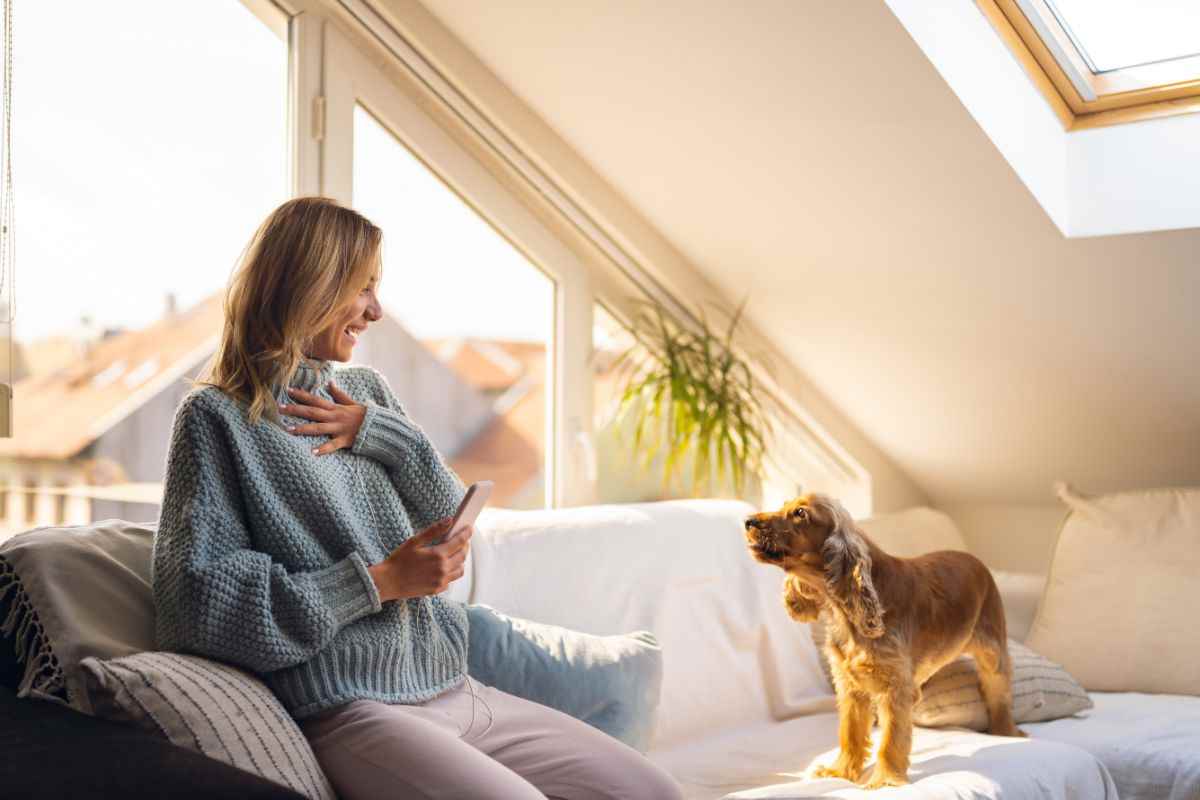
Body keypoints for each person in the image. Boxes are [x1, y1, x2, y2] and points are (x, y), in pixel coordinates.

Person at [151, 196, 683, 800]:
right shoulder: (216, 418)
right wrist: (377, 582)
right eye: (363, 287)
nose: (376, 310)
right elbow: (199, 608)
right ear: (312, 285)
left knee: (652, 791)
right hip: (352, 708)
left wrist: (383, 434)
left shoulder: (365, 392)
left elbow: (447, 518)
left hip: (453, 687)